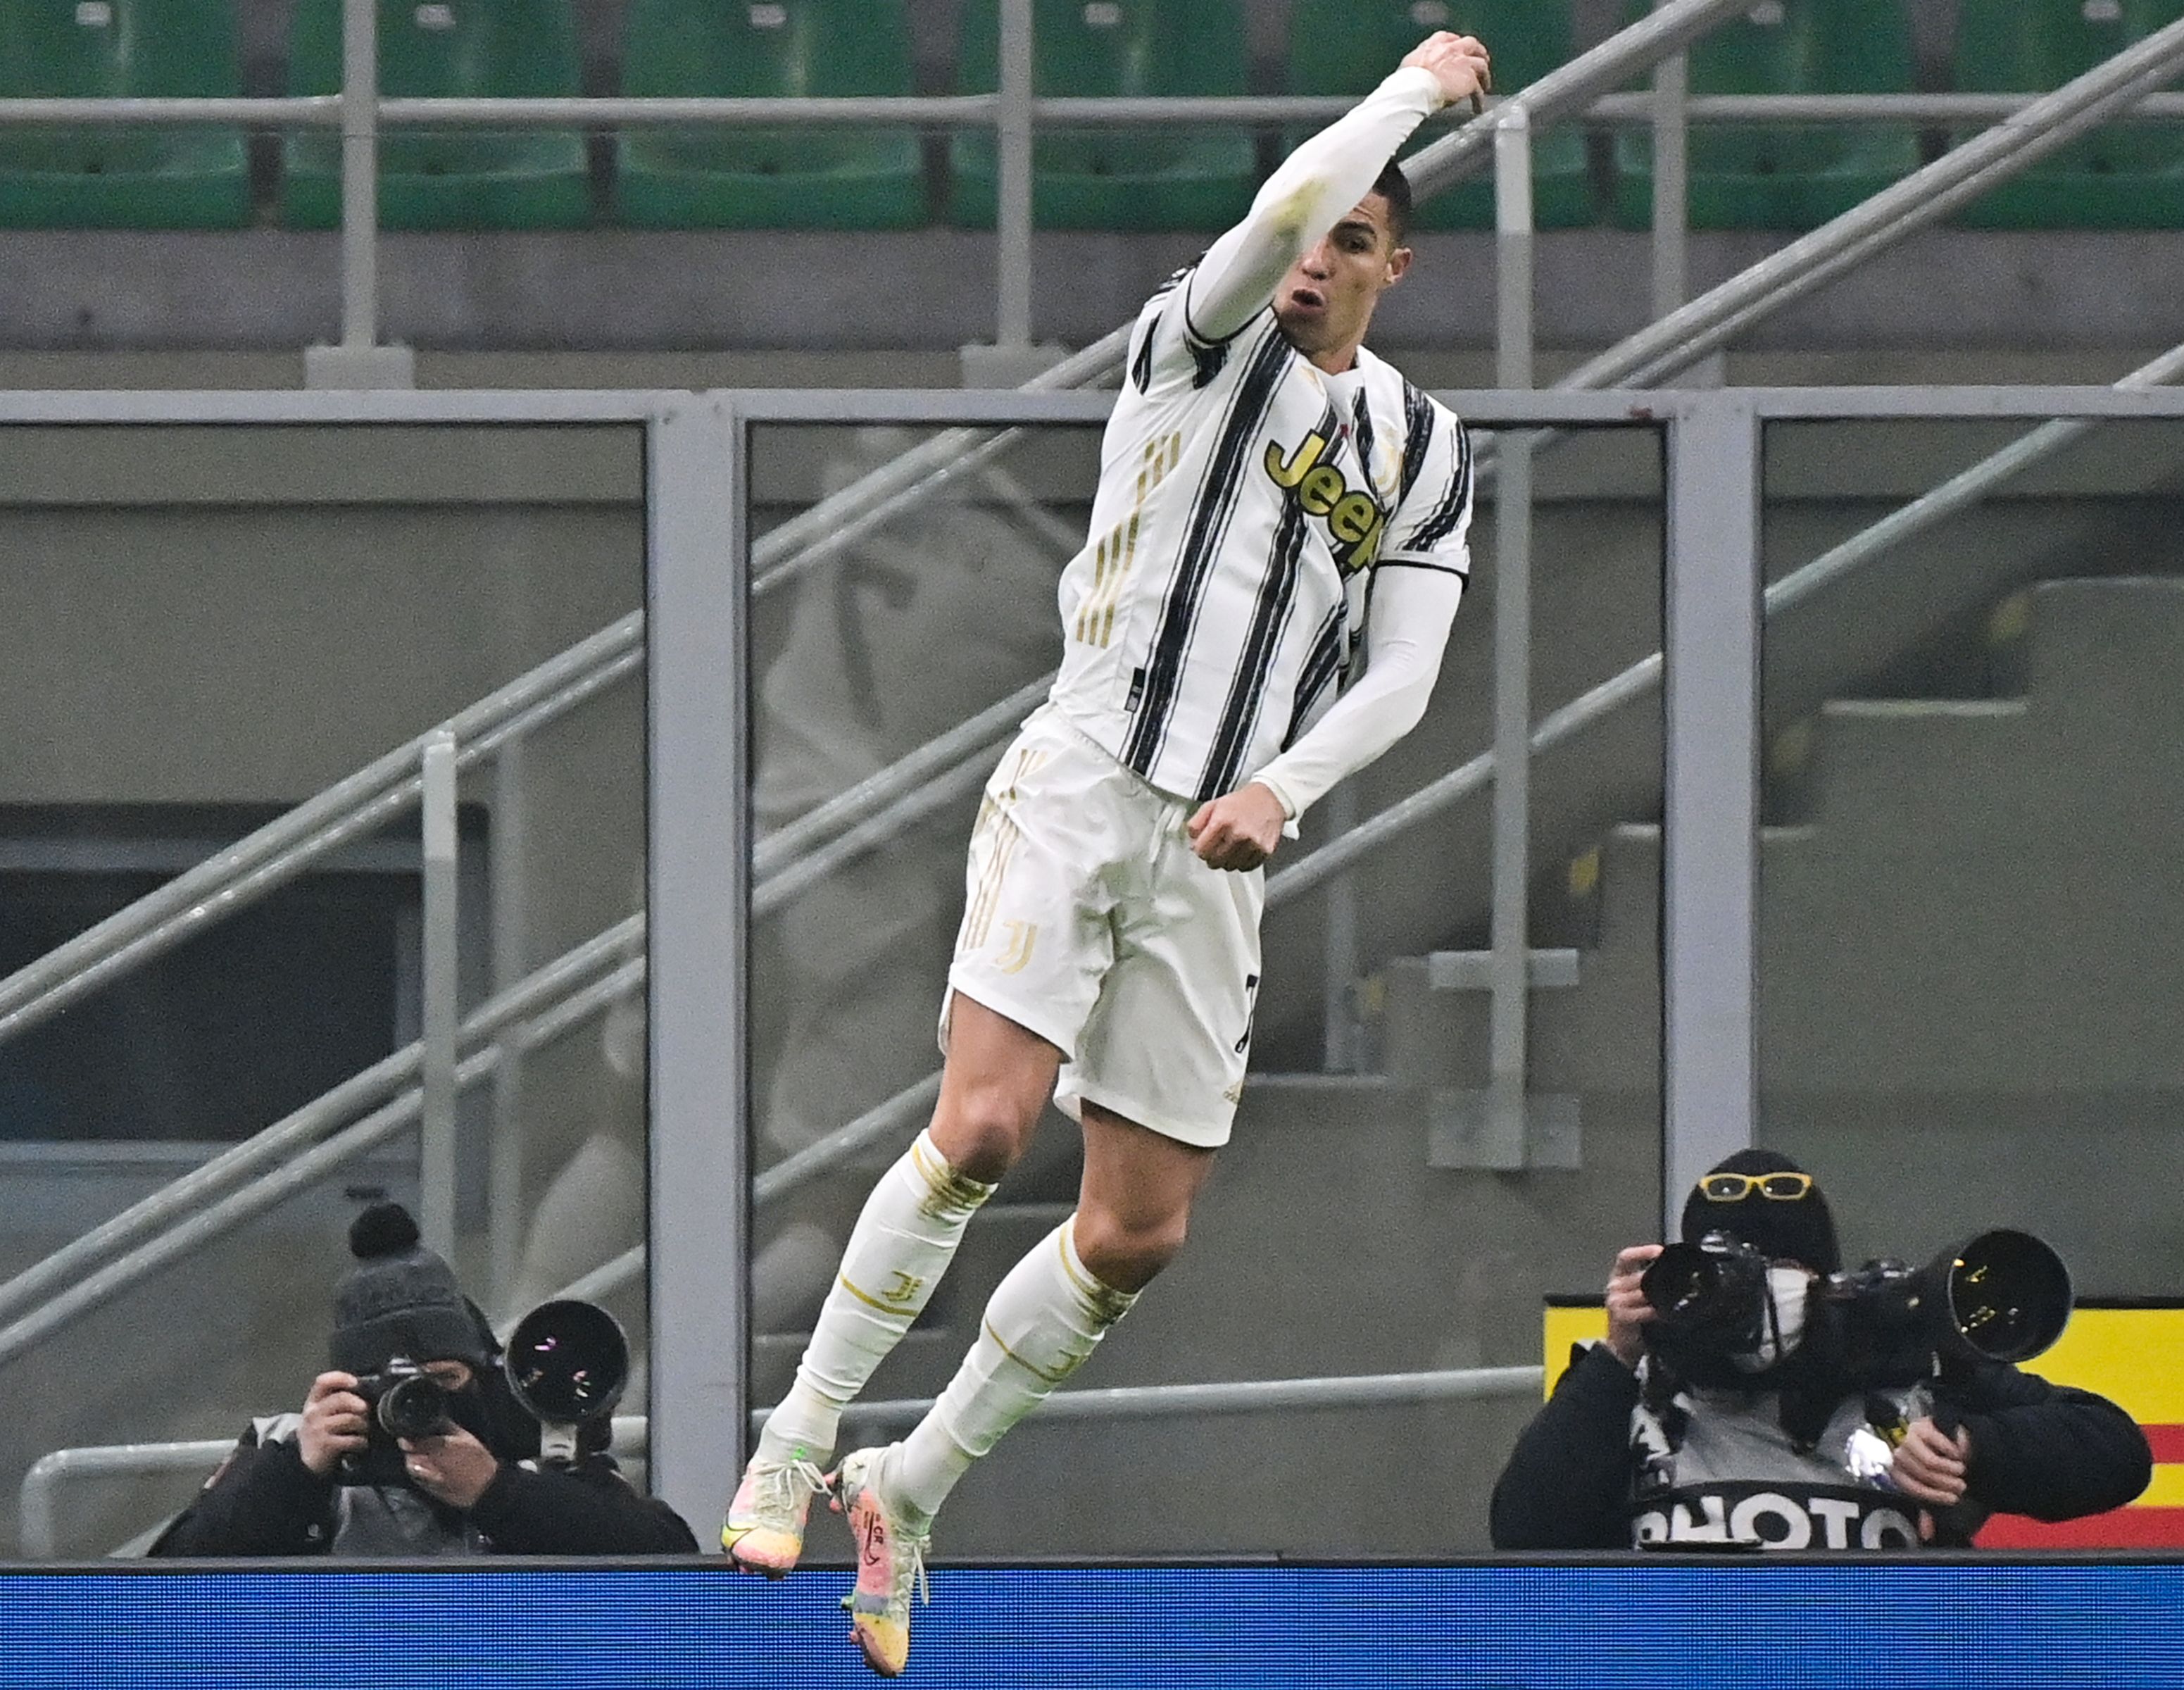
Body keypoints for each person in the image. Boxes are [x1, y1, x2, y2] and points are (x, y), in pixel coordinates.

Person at [721, 30, 1495, 1677]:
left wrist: (1282, 785)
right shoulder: (1196, 336)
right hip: (1084, 778)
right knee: (987, 1124)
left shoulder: (1424, 447)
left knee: (1139, 1229)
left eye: (1356, 237)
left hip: (1222, 844)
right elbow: (1288, 191)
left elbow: (1408, 673)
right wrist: (1414, 88)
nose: (1317, 254)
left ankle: (908, 1485)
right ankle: (794, 1436)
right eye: (1308, 229)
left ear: (1397, 264)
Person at [1488, 1150, 2152, 1552]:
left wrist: (1971, 1448)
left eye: (1787, 1273)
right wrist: (1616, 1358)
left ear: (1827, 1279)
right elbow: (1526, 1531)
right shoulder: (1634, 1388)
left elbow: (2117, 1454)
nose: (1769, 1302)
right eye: (1737, 1279)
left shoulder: (1905, 1369)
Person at [149, 1203, 694, 1558]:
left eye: (445, 1379)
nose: (420, 1402)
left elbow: (670, 1559)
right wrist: (296, 1473)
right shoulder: (290, 1446)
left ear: (482, 1376)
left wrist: (496, 1490)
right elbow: (158, 1592)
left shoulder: (528, 1441)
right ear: (345, 1387)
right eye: (389, 1386)